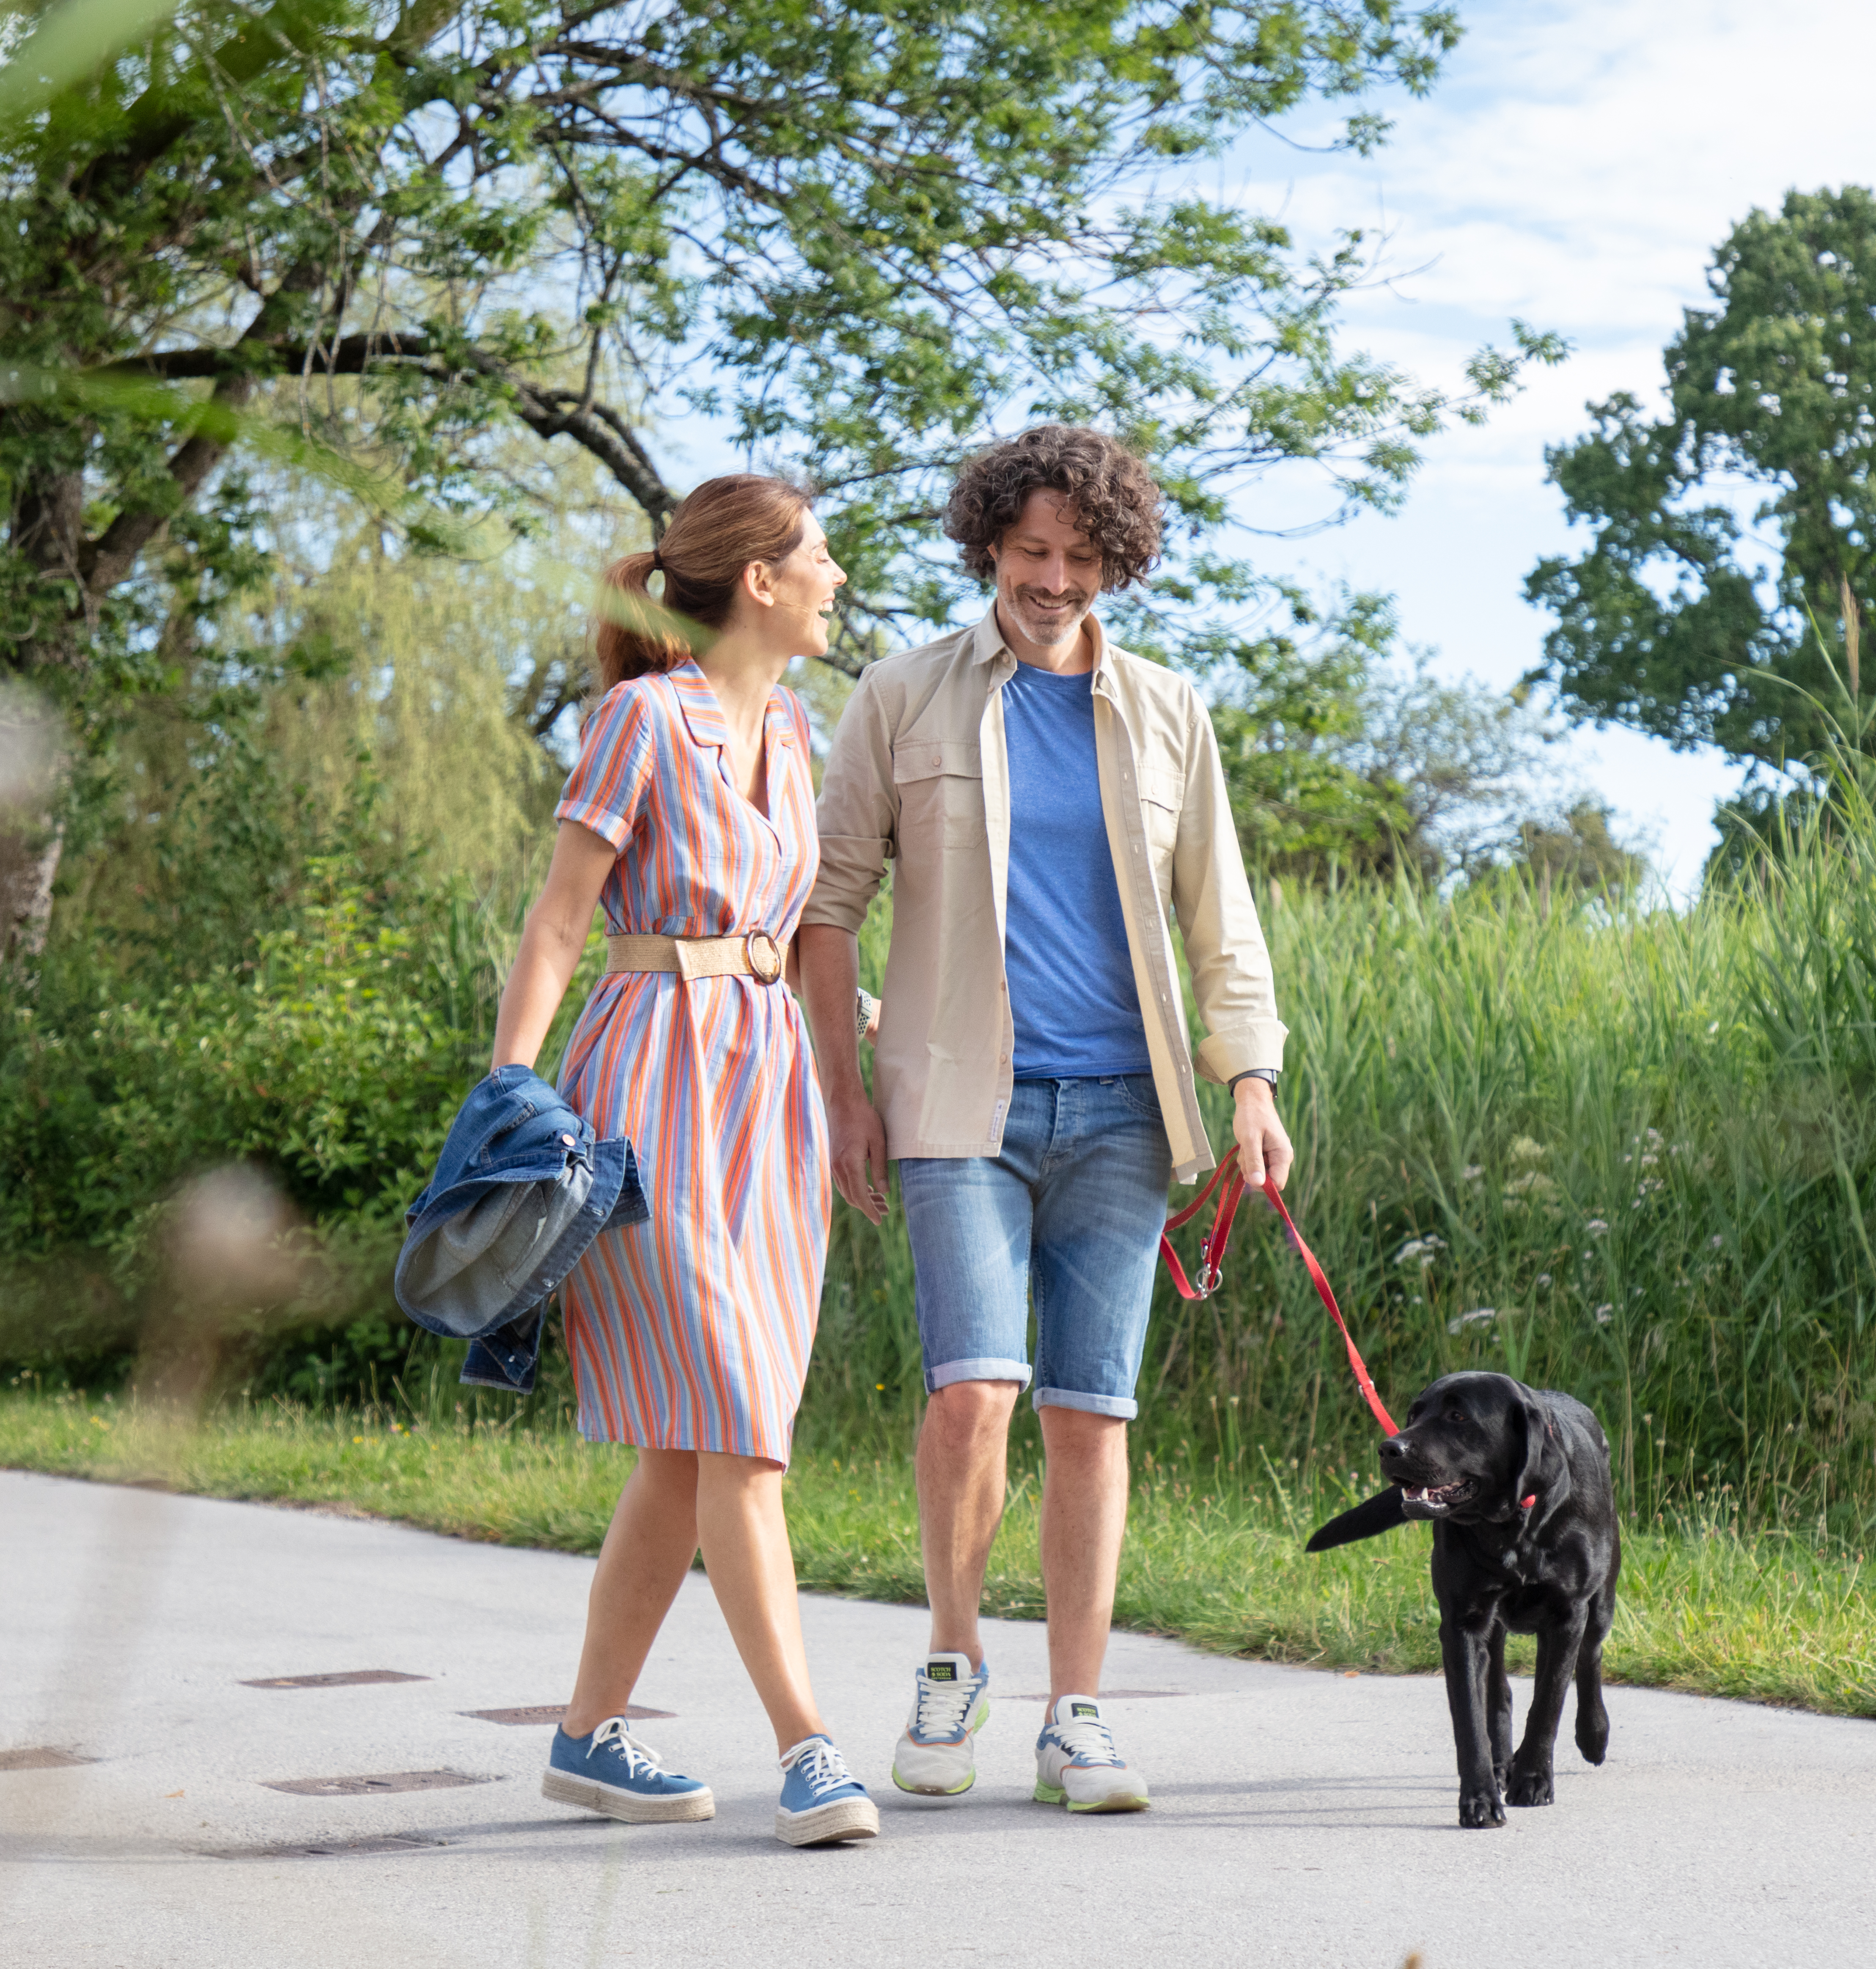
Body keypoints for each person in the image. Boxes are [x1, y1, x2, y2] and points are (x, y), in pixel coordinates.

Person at [800, 423, 1293, 1814]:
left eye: (1084, 558)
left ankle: (1078, 1715)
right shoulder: (902, 697)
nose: (1056, 579)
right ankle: (953, 1664)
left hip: (1131, 1112)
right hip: (959, 1105)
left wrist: (1248, 1080)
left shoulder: (1168, 712)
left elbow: (1223, 923)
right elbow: (826, 911)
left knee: (1093, 1413)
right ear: (989, 549)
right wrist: (842, 1094)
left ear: (1117, 563)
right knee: (974, 1393)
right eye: (1032, 553)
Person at [490, 473, 880, 1849]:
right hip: (652, 1085)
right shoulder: (638, 721)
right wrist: (508, 1095)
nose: (839, 575)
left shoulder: (795, 728)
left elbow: (794, 935)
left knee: (684, 1447)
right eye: (821, 555)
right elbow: (557, 924)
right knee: (739, 1432)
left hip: (770, 1097)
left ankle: (589, 1740)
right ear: (761, 581)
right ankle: (811, 1750)